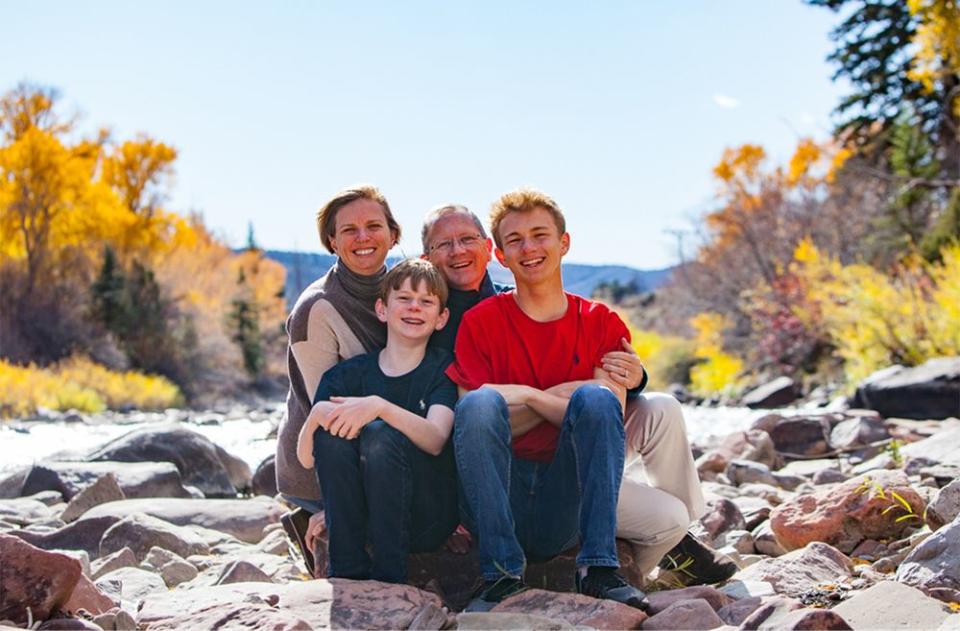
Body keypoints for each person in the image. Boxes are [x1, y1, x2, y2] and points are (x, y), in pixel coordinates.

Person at [422, 203, 735, 586]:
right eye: (444, 244)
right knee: (488, 405)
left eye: (467, 239)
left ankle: (664, 551)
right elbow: (475, 422)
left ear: (489, 251)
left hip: (575, 459)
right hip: (504, 470)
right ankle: (651, 551)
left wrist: (533, 395)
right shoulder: (426, 317)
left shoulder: (581, 313)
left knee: (662, 410)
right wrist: (567, 396)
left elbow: (605, 407)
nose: (457, 251)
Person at [445, 188, 649, 611]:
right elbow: (474, 421)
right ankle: (500, 577)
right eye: (515, 240)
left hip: (565, 495)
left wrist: (524, 400)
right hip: (498, 494)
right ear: (500, 255)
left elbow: (604, 412)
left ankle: (598, 570)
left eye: (540, 234)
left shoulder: (600, 321)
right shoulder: (480, 323)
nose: (529, 248)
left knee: (594, 400)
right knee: (480, 407)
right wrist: (554, 401)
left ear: (564, 242)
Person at [295, 259, 459, 583]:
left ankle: (389, 579)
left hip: (424, 517)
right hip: (363, 518)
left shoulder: (442, 370)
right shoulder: (346, 376)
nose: (415, 307)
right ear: (382, 309)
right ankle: (347, 574)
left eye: (426, 301)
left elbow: (436, 438)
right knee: (330, 434)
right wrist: (315, 415)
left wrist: (380, 407)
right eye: (404, 298)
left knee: (380, 435)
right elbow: (307, 458)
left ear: (441, 318)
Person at [275, 185, 401, 575]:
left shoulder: (409, 290)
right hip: (322, 468)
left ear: (393, 234)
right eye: (349, 230)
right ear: (331, 241)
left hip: (385, 446)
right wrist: (336, 504)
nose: (363, 238)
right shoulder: (316, 308)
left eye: (373, 226)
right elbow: (329, 417)